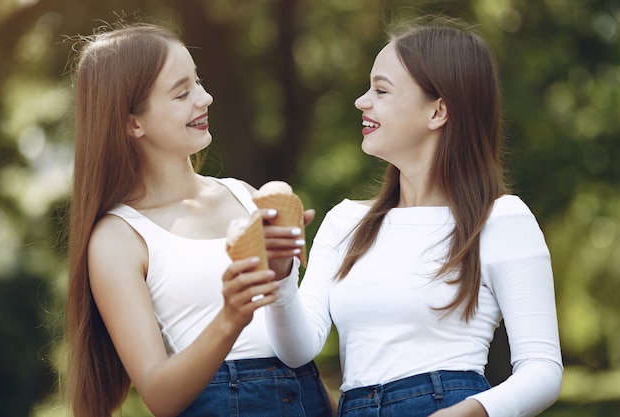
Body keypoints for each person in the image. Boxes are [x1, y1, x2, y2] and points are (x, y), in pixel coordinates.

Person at [264, 16, 563, 417]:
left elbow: (542, 369)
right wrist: (280, 272)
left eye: (381, 90)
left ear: (437, 111)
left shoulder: (501, 219)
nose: (361, 101)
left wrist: (466, 413)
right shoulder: (345, 222)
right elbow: (298, 350)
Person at [64, 21, 333, 417]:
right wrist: (230, 318)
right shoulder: (118, 237)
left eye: (198, 81)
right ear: (132, 121)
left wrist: (282, 273)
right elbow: (159, 395)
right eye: (181, 92)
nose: (204, 97)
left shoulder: (244, 195)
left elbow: (296, 344)